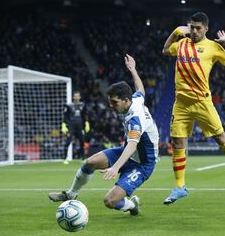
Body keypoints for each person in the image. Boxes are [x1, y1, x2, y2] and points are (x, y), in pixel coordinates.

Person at [49, 54, 159, 216]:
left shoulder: (135, 119)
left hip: (143, 163)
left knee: (110, 201)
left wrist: (115, 167)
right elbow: (140, 90)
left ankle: (131, 205)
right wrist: (133, 70)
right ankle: (71, 194)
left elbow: (132, 144)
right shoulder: (135, 100)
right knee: (90, 162)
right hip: (127, 153)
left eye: (114, 102)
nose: (111, 105)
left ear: (126, 101)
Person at [161, 12, 225, 205]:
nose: (193, 31)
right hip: (181, 104)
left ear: (206, 29)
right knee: (177, 143)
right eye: (191, 27)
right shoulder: (182, 44)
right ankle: (179, 187)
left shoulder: (212, 47)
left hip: (202, 102)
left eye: (198, 28)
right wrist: (175, 32)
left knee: (220, 138)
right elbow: (166, 50)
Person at [61, 91, 90, 164]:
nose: (77, 97)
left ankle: (83, 157)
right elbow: (65, 116)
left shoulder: (83, 105)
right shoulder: (69, 105)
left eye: (78, 96)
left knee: (82, 142)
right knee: (68, 141)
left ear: (80, 97)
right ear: (73, 97)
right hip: (71, 126)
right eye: (75, 96)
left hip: (80, 126)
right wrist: (64, 125)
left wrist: (86, 123)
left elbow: (85, 115)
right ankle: (65, 158)